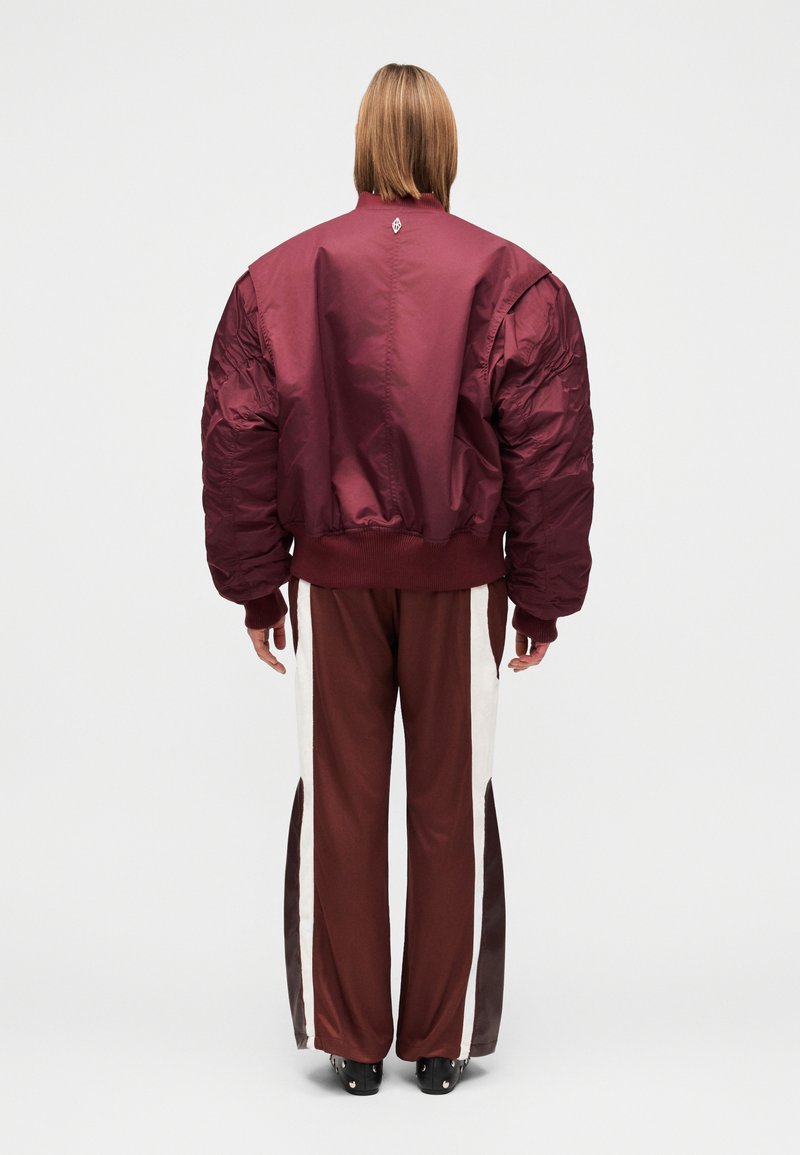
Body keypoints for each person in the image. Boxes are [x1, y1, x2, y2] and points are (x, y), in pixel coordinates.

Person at [200, 62, 594, 1097]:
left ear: (363, 144)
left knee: (341, 797)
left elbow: (237, 436)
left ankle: (352, 1043)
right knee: (448, 802)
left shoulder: (277, 278)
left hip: (329, 581)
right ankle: (438, 1041)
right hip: (458, 580)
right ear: (445, 148)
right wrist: (540, 594)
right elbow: (549, 448)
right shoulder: (514, 282)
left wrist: (257, 585)